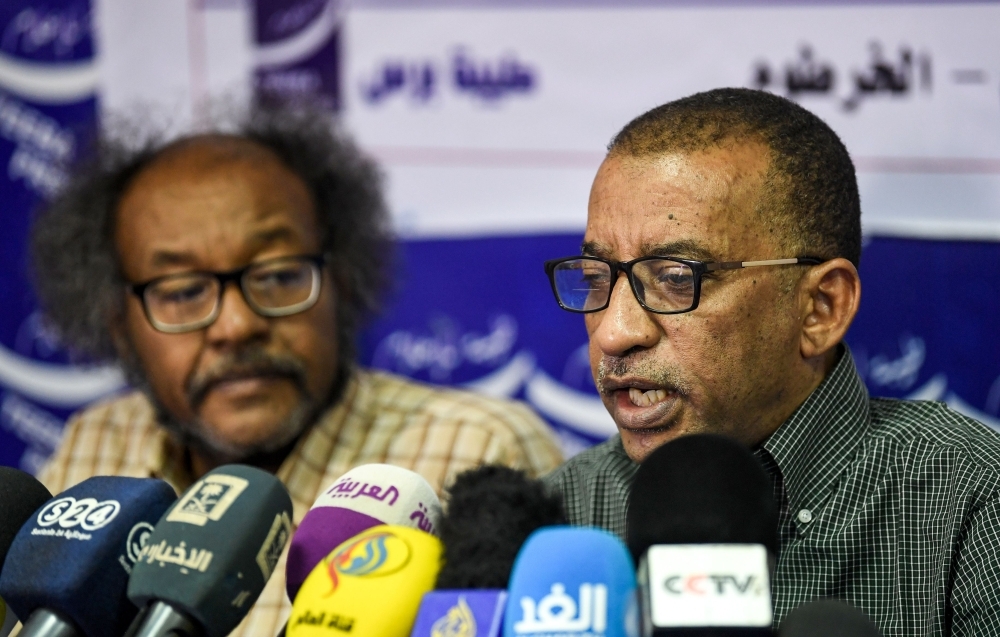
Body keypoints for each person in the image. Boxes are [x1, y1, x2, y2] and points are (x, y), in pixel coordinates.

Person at [31, 106, 562, 637]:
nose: (236, 326)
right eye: (184, 291)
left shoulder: (479, 449)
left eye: (279, 275)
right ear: (120, 326)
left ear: (342, 282)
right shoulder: (94, 448)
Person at [543, 88, 1000, 634]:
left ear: (820, 309)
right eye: (597, 279)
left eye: (674, 278)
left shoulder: (972, 502)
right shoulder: (560, 520)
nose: (615, 333)